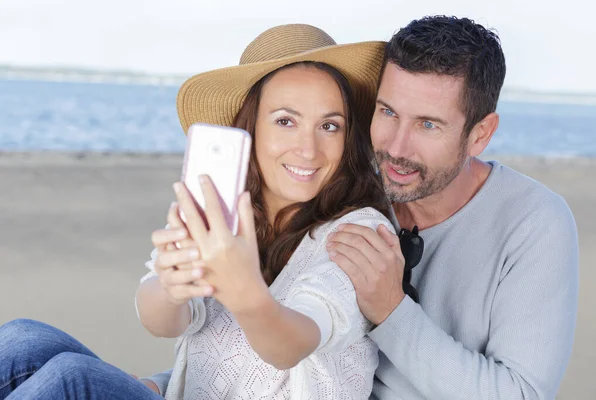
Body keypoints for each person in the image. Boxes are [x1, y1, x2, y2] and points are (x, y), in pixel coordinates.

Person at [0, 24, 398, 399]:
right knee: (23, 338)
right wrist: (172, 289)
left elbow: (290, 346)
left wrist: (243, 289)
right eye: (285, 121)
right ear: (249, 127)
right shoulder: (221, 207)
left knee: (73, 377)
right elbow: (161, 321)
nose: (309, 149)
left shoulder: (359, 231)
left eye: (329, 126)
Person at [325, 16, 579, 400]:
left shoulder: (536, 223)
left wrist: (391, 312)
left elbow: (520, 394)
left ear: (480, 134)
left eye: (428, 125)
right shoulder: (350, 190)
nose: (396, 148)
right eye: (389, 112)